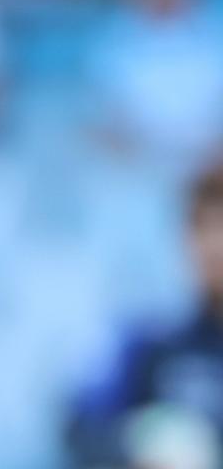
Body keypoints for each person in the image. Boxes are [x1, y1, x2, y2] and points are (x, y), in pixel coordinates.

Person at [65, 160, 223, 468]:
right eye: (202, 226)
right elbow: (80, 429)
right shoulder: (156, 347)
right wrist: (141, 442)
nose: (214, 246)